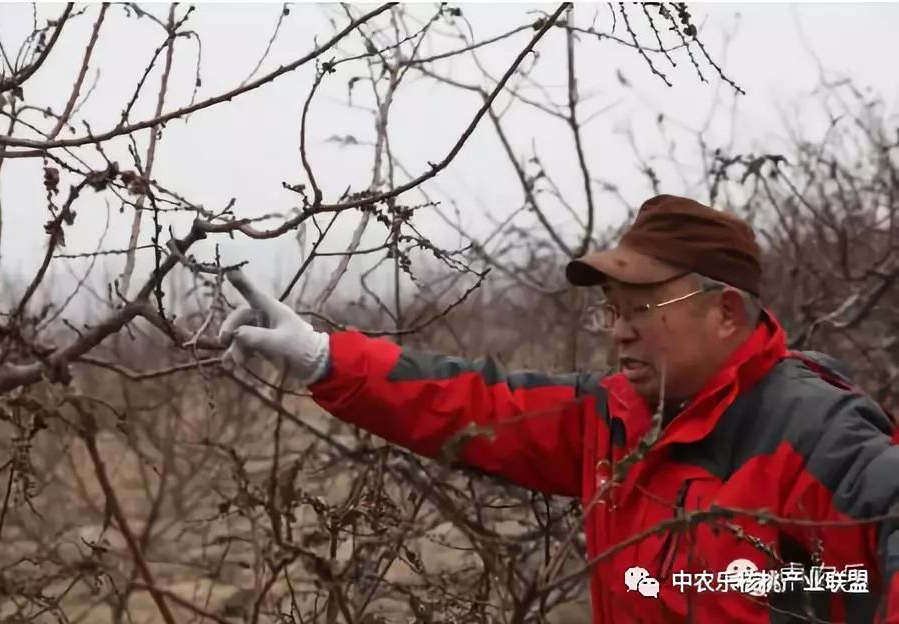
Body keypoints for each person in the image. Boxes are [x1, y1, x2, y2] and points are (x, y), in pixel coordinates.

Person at [218, 194, 899, 623]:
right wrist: (321, 357)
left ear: (724, 314)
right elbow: (477, 404)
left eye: (642, 310)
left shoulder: (811, 432)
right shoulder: (613, 418)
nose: (619, 330)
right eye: (612, 311)